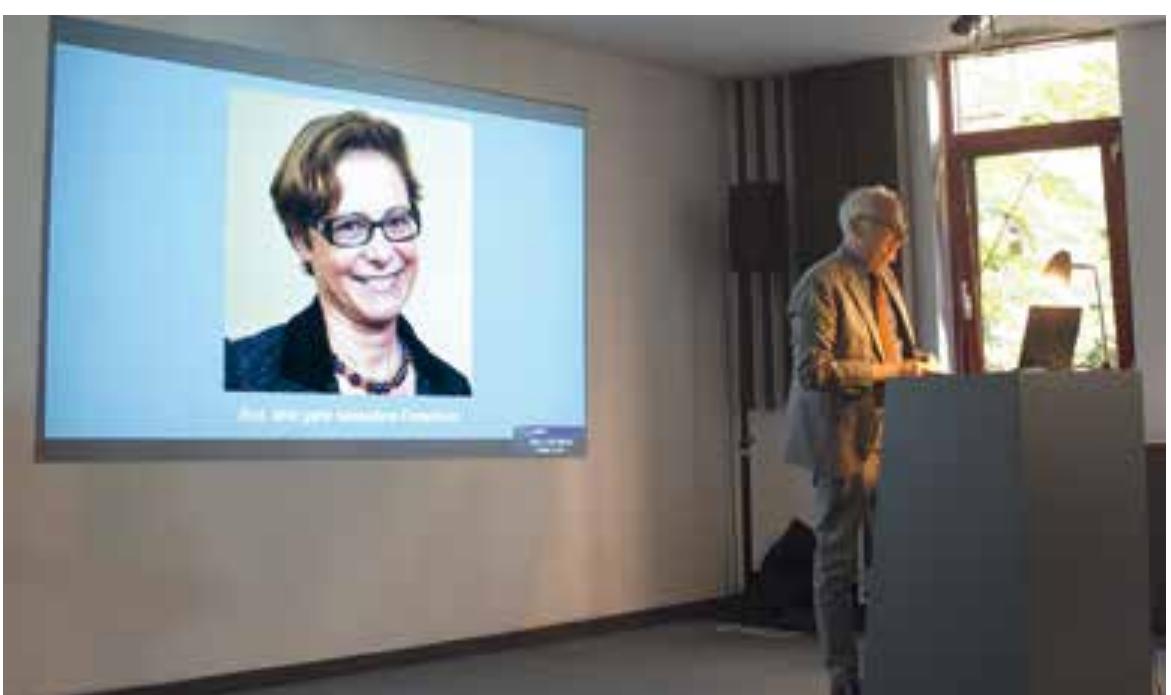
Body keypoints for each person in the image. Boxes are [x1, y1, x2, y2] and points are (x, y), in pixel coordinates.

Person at [783, 185, 931, 695]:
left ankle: (894, 661)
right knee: (838, 561)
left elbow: (900, 350)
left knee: (891, 556)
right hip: (839, 440)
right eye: (894, 230)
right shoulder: (819, 283)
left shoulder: (884, 279)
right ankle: (843, 676)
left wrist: (918, 365)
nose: (901, 241)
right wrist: (894, 369)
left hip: (888, 437)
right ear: (858, 226)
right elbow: (813, 370)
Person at [225, 111, 471, 397]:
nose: (381, 253)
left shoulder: (453, 388)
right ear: (302, 241)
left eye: (396, 221)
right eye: (351, 226)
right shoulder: (238, 374)